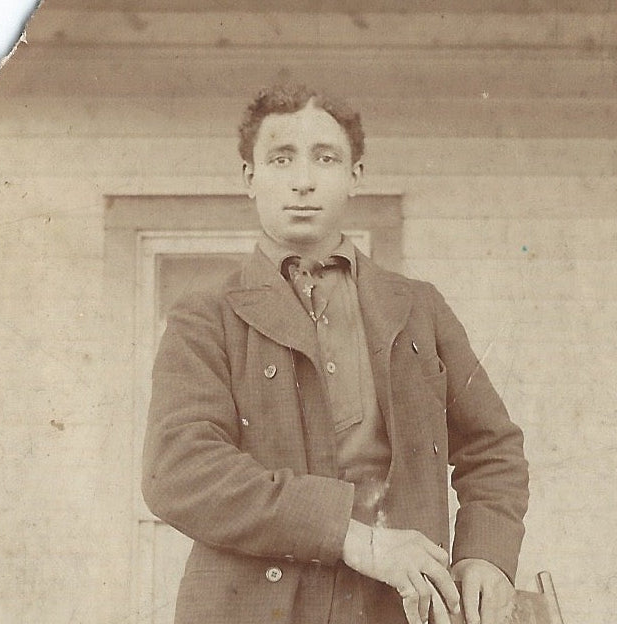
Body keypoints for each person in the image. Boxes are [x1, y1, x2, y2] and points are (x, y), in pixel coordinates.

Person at [141, 84, 529, 624]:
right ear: (250, 179)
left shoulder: (418, 306)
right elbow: (180, 471)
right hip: (256, 607)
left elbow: (494, 447)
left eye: (326, 158)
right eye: (282, 159)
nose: (303, 180)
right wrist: (353, 538)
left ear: (356, 176)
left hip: (398, 609)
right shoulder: (206, 316)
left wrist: (486, 555)